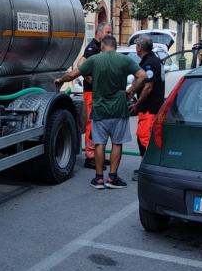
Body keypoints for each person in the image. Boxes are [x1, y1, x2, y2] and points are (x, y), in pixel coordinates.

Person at [55, 34, 146, 189]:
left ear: (103, 46)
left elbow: (73, 74)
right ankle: (112, 178)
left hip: (100, 109)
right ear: (115, 46)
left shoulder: (95, 59)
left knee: (99, 144)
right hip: (119, 109)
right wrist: (131, 90)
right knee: (117, 143)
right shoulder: (124, 60)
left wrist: (60, 80)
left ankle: (98, 179)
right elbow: (142, 75)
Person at [128, 36, 165, 180]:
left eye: (137, 45)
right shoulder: (154, 60)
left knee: (145, 138)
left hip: (150, 107)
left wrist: (138, 103)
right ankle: (147, 167)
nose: (136, 48)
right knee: (145, 138)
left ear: (140, 48)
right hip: (154, 106)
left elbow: (148, 86)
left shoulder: (149, 63)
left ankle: (148, 171)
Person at [78, 22, 112, 168]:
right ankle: (90, 157)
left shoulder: (101, 48)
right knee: (92, 125)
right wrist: (89, 78)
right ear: (99, 32)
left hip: (99, 92)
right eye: (108, 32)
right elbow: (81, 65)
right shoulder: (92, 48)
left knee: (100, 124)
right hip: (91, 92)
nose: (110, 35)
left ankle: (99, 155)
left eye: (111, 32)